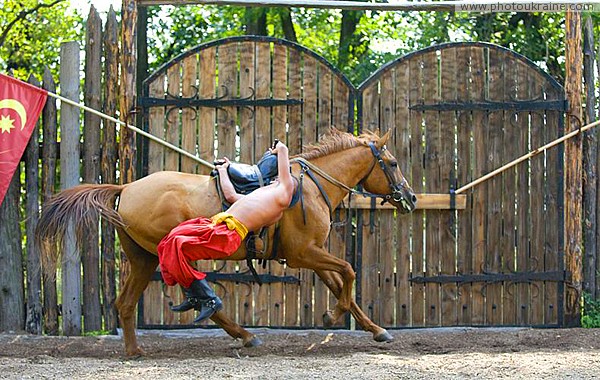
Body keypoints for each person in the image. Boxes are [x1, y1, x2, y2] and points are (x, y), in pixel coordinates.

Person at [157, 140, 294, 322]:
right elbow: (230, 196)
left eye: (280, 177)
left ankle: (209, 299)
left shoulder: (283, 194)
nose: (277, 178)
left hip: (227, 235)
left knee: (178, 245)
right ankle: (192, 295)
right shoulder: (262, 195)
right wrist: (223, 171)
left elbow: (283, 150)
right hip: (215, 225)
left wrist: (277, 149)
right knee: (168, 240)